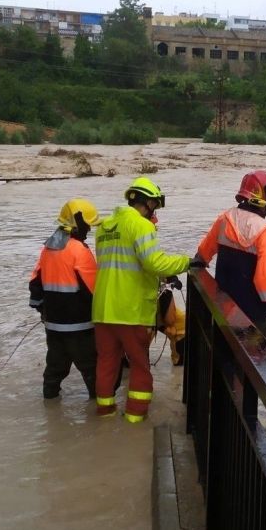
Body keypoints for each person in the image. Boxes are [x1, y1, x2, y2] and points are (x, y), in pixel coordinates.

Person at [93, 177, 190, 422]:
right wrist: (186, 261)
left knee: (106, 363)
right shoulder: (141, 226)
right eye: (154, 205)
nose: (154, 210)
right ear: (147, 202)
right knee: (139, 365)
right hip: (131, 310)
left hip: (103, 309)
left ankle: (105, 413)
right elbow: (153, 262)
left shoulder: (105, 227)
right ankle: (135, 418)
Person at [193, 170, 266, 337]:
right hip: (253, 315)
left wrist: (195, 269)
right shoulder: (265, 231)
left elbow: (202, 255)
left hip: (223, 307)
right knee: (253, 358)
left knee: (223, 355)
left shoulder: (225, 220)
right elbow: (265, 280)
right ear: (262, 202)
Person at [29, 198, 101, 400]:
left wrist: (42, 308)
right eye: (87, 225)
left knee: (54, 368)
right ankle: (102, 417)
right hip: (80, 326)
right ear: (78, 223)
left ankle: (50, 405)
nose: (88, 230)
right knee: (91, 370)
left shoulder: (48, 249)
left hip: (53, 325)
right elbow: (94, 290)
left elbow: (35, 283)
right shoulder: (80, 250)